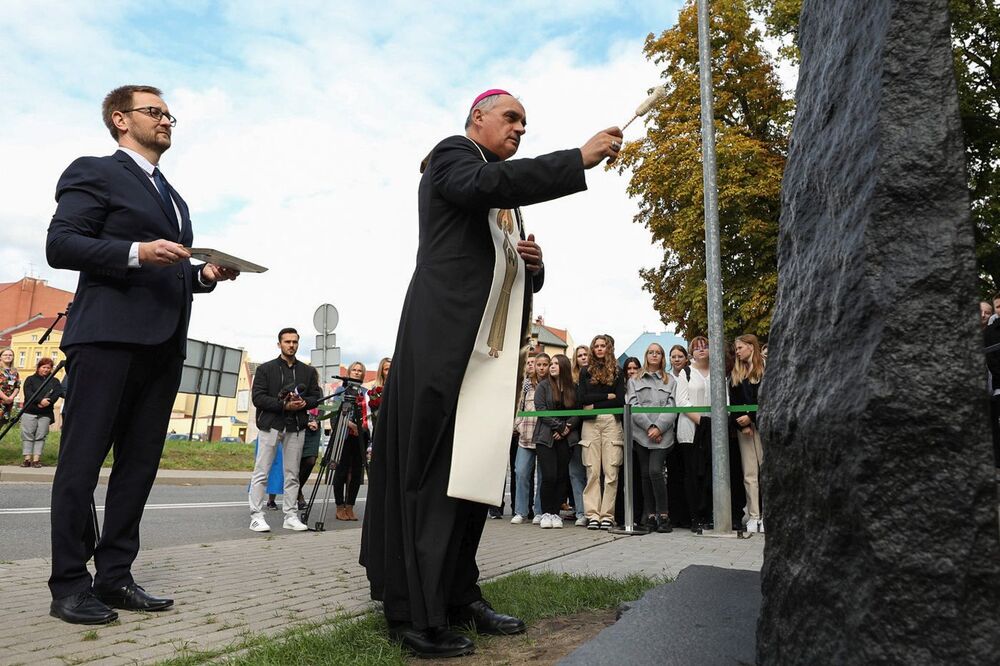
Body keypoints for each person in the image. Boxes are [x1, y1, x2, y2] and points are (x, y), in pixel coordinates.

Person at [361, 88, 623, 658]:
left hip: (488, 356)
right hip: (442, 346)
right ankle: (414, 610)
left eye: (526, 123)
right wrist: (575, 160)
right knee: (432, 474)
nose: (521, 129)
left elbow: (498, 263)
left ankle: (458, 593)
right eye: (512, 118)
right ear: (477, 118)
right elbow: (484, 188)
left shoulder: (503, 194)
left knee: (475, 479)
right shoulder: (454, 155)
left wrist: (536, 268)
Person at [45, 84, 237, 625]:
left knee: (138, 469)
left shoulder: (174, 198)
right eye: (155, 111)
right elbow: (60, 245)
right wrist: (135, 251)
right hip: (106, 339)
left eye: (169, 113)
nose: (167, 120)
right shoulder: (95, 171)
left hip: (163, 346)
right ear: (119, 119)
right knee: (81, 466)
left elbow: (172, 269)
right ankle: (68, 585)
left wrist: (204, 274)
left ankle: (114, 577)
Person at [249, 328, 322, 533]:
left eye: (295, 342)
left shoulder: (307, 372)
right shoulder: (265, 369)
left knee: (293, 473)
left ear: (298, 344)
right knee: (262, 471)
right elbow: (258, 398)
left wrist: (303, 402)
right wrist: (283, 405)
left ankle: (290, 515)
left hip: (296, 426)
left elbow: (316, 397)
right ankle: (256, 515)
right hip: (271, 424)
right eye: (287, 341)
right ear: (279, 343)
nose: (291, 345)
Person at [627, 343, 679, 533]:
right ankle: (649, 516)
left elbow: (672, 406)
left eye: (658, 353)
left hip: (663, 435)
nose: (654, 355)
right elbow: (633, 404)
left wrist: (659, 427)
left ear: (662, 356)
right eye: (651, 352)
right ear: (646, 355)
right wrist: (649, 426)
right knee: (645, 474)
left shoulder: (670, 381)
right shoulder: (634, 380)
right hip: (641, 434)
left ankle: (663, 515)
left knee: (655, 471)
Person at [578, 334, 626, 530]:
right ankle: (592, 514)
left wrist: (594, 401)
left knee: (611, 471)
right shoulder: (584, 371)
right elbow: (582, 398)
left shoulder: (618, 371)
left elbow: (620, 400)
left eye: (602, 345)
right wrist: (607, 395)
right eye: (596, 346)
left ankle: (607, 514)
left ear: (608, 348)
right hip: (590, 424)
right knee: (592, 471)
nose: (599, 349)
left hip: (611, 423)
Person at [533, 354, 580, 529]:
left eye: (555, 363)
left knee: (562, 476)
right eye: (550, 363)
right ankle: (546, 513)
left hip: (566, 439)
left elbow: (578, 411)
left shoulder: (573, 388)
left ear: (564, 366)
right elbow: (541, 410)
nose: (551, 366)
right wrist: (559, 427)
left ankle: (555, 514)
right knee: (549, 476)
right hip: (546, 437)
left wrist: (567, 428)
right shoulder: (543, 387)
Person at [730, 334, 765, 533]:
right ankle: (753, 515)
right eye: (736, 348)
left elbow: (768, 395)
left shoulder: (766, 368)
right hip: (745, 430)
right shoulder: (736, 373)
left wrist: (751, 416)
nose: (738, 351)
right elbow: (733, 401)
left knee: (765, 471)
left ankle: (768, 515)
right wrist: (742, 423)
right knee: (749, 473)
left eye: (740, 347)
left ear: (751, 347)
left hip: (763, 426)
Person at [678, 336, 712, 531]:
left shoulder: (717, 371)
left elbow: (724, 400)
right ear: (691, 351)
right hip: (690, 430)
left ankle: (708, 514)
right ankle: (694, 517)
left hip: (713, 431)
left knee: (708, 474)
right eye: (697, 347)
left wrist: (713, 423)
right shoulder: (686, 372)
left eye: (705, 346)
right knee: (692, 474)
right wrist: (702, 421)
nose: (701, 350)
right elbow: (682, 401)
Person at [512, 353, 548, 524]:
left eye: (544, 364)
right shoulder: (527, 384)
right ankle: (521, 511)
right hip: (525, 435)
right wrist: (518, 425)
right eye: (538, 364)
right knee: (521, 472)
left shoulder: (551, 384)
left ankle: (539, 511)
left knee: (542, 476)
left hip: (542, 437)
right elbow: (520, 405)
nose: (540, 367)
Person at [333, 361, 371, 521]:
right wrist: (351, 424)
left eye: (359, 370)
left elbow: (369, 414)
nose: (356, 372)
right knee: (341, 471)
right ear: (349, 372)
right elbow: (336, 413)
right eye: (354, 370)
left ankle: (350, 506)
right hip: (344, 435)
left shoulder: (366, 392)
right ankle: (339, 506)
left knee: (356, 473)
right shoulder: (341, 390)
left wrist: (363, 426)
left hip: (360, 437)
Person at [20, 357, 64, 468]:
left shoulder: (54, 381)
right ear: (39, 367)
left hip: (45, 413)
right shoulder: (30, 379)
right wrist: (40, 401)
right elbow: (28, 393)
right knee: (28, 435)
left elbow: (58, 392)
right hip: (30, 411)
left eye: (48, 368)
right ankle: (27, 459)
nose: (46, 370)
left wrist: (48, 402)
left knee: (41, 436)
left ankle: (36, 460)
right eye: (43, 367)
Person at [0, 348, 20, 424]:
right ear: (0, 357)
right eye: (5, 355)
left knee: (1, 423)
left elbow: (17, 386)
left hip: (8, 403)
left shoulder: (14, 371)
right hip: (2, 400)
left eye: (10, 355)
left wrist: (11, 398)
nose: (8, 356)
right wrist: (5, 398)